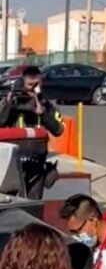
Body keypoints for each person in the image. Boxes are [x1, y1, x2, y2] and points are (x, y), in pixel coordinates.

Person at [0, 66, 65, 199]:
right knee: (9, 199)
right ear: (23, 83)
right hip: (11, 161)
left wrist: (44, 114)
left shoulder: (47, 104)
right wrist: (8, 105)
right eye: (30, 84)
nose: (35, 88)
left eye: (38, 84)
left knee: (33, 201)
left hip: (36, 161)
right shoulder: (12, 100)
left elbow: (58, 130)